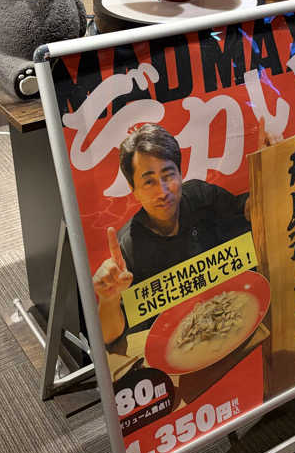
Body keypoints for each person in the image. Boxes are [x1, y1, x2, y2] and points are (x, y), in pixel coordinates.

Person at [93, 123, 251, 344]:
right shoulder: (128, 246)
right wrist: (108, 300)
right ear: (133, 188)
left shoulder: (201, 197)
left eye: (168, 175)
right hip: (172, 345)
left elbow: (247, 211)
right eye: (149, 182)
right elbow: (109, 336)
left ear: (180, 173)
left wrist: (269, 165)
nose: (163, 191)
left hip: (230, 324)